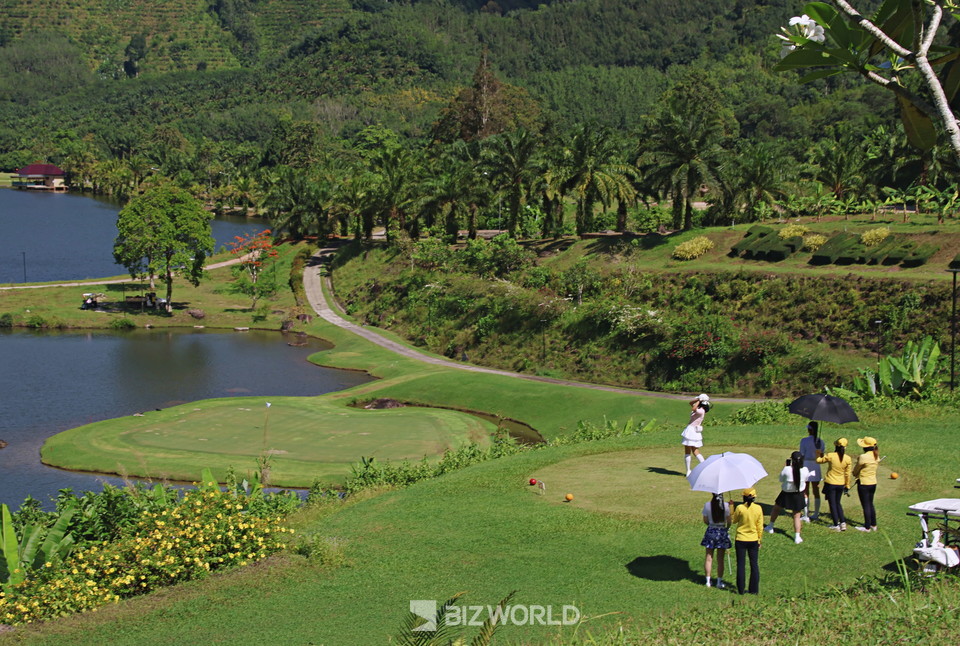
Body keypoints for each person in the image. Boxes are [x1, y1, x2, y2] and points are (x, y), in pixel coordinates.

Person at [764, 451, 811, 544]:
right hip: (798, 494)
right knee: (796, 516)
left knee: (776, 509)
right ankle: (797, 537)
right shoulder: (805, 470)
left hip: (786, 493)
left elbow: (781, 479)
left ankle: (770, 526)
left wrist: (785, 467)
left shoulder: (787, 469)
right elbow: (806, 479)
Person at [730, 487, 762, 595]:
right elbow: (759, 526)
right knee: (754, 564)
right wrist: (759, 539)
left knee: (741, 564)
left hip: (741, 538)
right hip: (753, 539)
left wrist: (731, 508)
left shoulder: (740, 508)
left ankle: (741, 589)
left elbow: (734, 520)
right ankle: (754, 590)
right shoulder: (758, 508)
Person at [816, 438, 853, 531]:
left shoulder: (831, 455)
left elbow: (818, 461)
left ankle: (836, 524)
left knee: (832, 504)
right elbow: (847, 474)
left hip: (831, 483)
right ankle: (843, 522)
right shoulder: (848, 458)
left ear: (836, 446)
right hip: (841, 483)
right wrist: (847, 485)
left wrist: (818, 453)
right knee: (838, 503)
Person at [700, 493, 731, 588]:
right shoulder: (726, 505)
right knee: (720, 559)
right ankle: (719, 582)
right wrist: (727, 528)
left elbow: (705, 520)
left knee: (708, 557)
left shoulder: (707, 505)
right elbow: (729, 521)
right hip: (721, 531)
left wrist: (711, 524)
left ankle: (707, 581)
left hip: (711, 531)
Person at [798, 422, 825, 522]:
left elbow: (802, 454)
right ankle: (816, 514)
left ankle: (806, 515)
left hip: (806, 464)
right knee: (816, 490)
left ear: (809, 430)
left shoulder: (804, 440)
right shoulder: (821, 442)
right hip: (816, 465)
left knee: (805, 491)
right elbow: (822, 456)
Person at [853, 436, 880, 532]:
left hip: (864, 483)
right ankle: (873, 524)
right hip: (873, 482)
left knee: (866, 505)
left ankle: (867, 527)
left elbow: (856, 469)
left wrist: (855, 474)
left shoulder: (863, 457)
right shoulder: (876, 455)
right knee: (870, 503)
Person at [681, 394, 711, 475]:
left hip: (692, 431)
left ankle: (704, 467)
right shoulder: (700, 408)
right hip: (691, 430)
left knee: (694, 451)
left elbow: (693, 408)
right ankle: (688, 471)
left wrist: (699, 400)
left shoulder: (701, 411)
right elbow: (690, 403)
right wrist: (698, 399)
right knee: (689, 451)